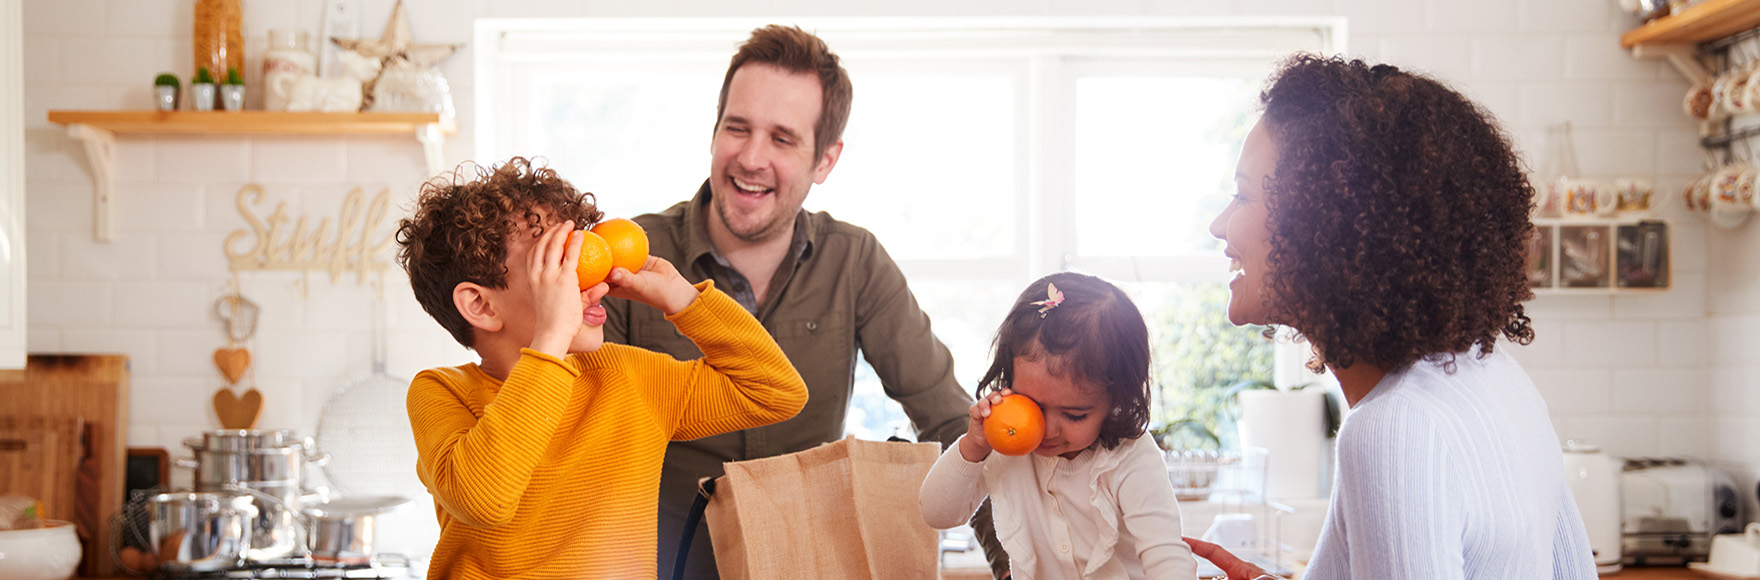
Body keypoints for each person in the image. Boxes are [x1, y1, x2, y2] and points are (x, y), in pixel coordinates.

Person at [599, 25, 1006, 578]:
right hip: (656, 565)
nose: (750, 157)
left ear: (825, 160)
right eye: (736, 128)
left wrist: (1014, 565)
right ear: (714, 131)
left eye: (783, 139)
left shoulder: (856, 262)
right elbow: (583, 439)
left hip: (802, 564)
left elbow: (949, 422)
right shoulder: (632, 258)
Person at [1190, 54, 1596, 579]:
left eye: (1242, 196)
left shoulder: (1394, 431)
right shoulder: (1493, 377)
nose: (1219, 226)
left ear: (1324, 225)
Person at [393, 157, 809, 579]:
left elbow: (774, 391)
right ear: (480, 305)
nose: (593, 282)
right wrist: (552, 337)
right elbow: (486, 497)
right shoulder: (441, 392)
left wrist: (685, 300)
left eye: (584, 251)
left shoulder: (627, 377)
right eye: (557, 262)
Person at [919, 272, 1200, 580]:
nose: (1049, 430)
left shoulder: (1131, 457)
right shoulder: (1008, 443)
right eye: (1033, 406)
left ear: (1116, 401)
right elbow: (937, 513)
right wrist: (973, 447)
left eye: (1075, 415)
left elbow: (1166, 557)